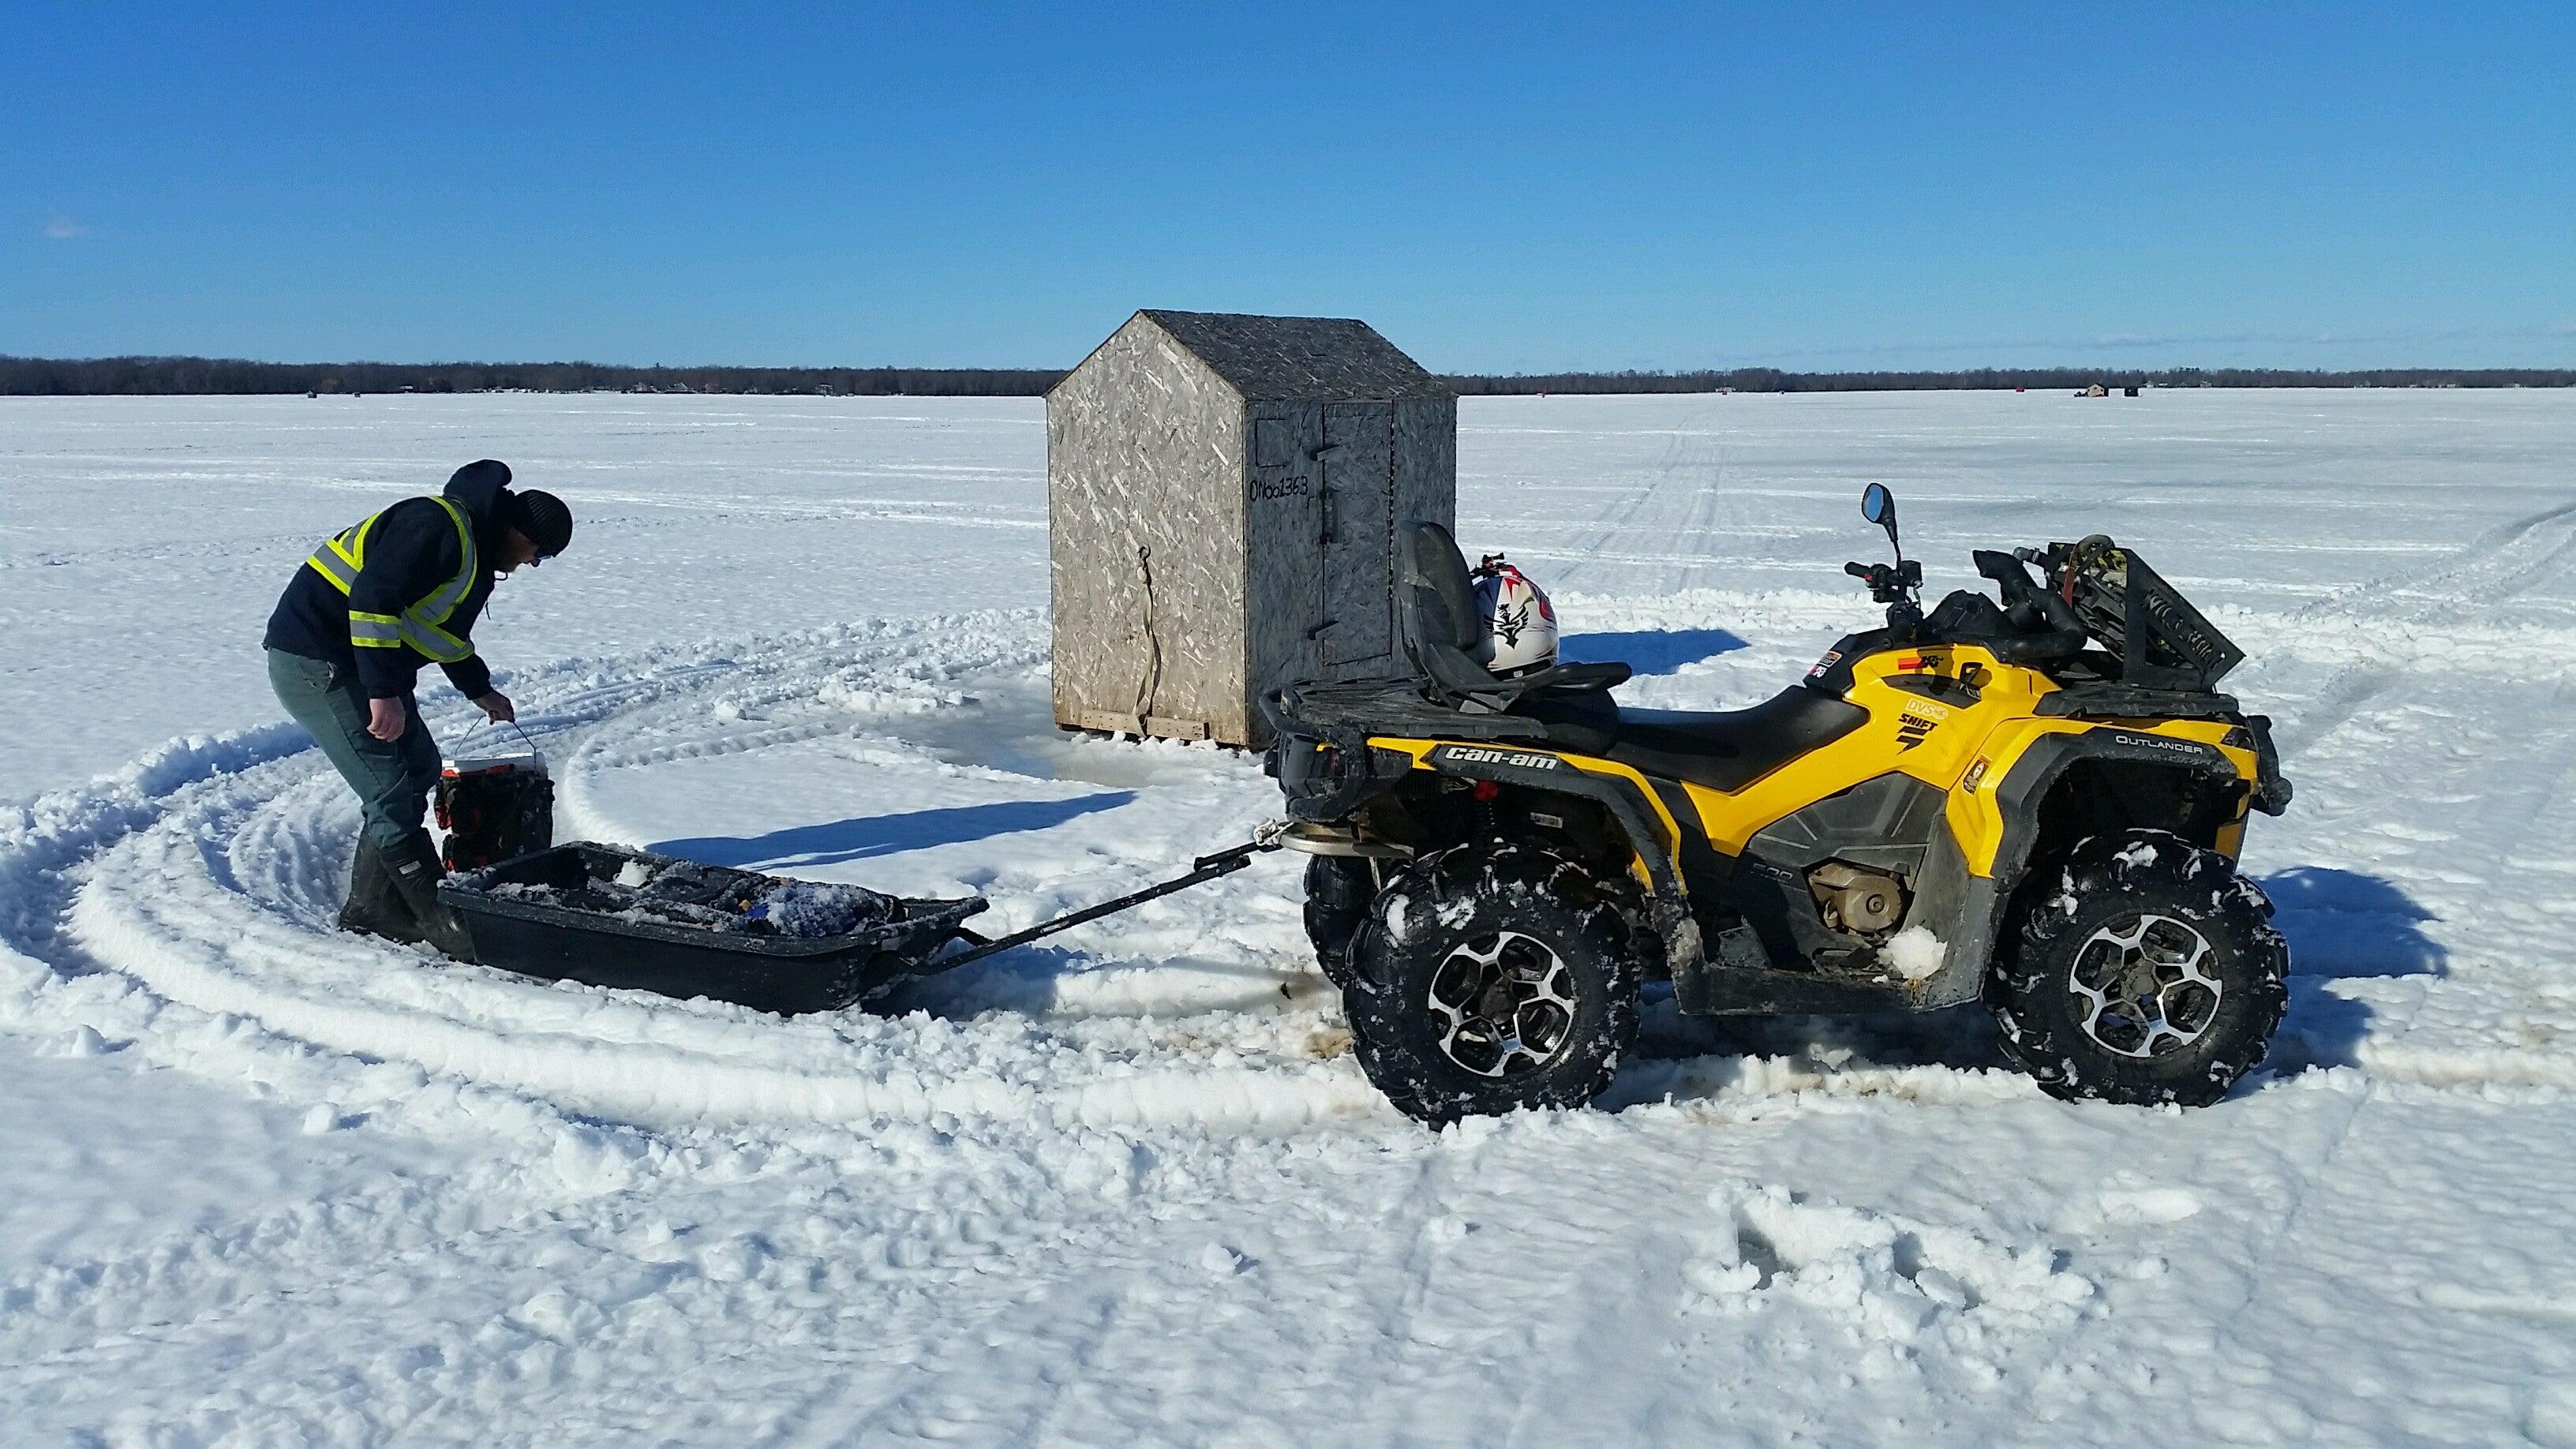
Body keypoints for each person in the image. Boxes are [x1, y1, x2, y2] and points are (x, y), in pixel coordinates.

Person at [263, 460, 573, 956]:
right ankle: (440, 921)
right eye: (540, 551)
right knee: (388, 787)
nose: (535, 562)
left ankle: (372, 907)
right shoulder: (435, 525)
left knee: (422, 767)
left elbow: (438, 634)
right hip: (315, 660)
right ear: (517, 530)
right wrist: (383, 693)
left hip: (362, 663)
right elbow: (371, 599)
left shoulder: (472, 556)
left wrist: (480, 691)